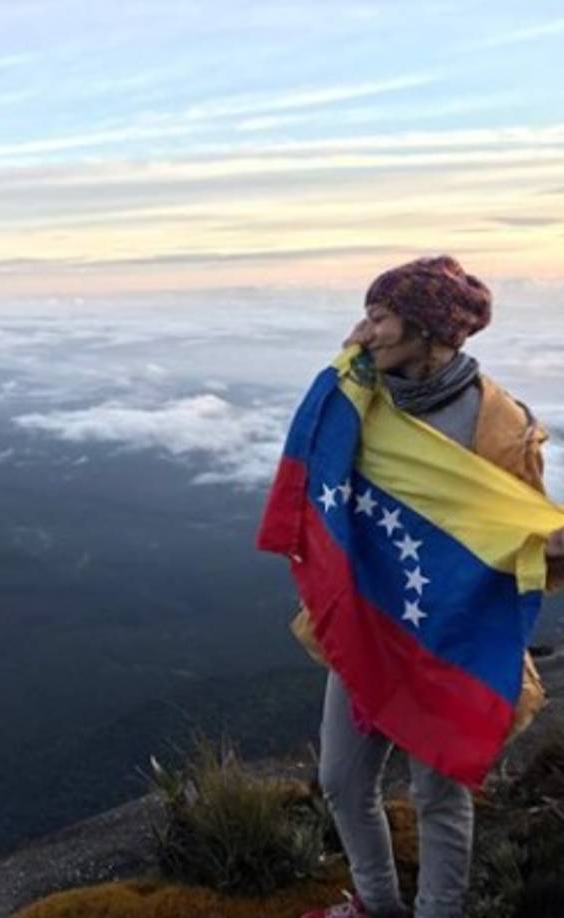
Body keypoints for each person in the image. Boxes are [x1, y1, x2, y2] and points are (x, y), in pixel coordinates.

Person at [296, 256, 564, 918]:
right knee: (341, 778)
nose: (366, 330)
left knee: (437, 793)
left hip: (452, 634)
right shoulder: (359, 395)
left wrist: (547, 546)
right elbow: (322, 470)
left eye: (380, 317)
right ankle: (376, 904)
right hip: (371, 619)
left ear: (426, 330)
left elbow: (510, 523)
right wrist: (344, 363)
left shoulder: (499, 425)